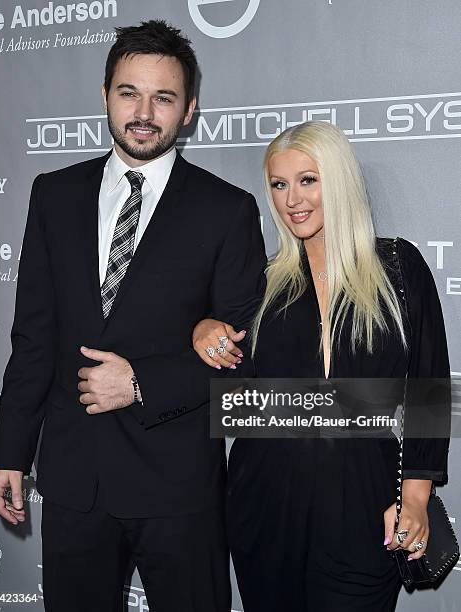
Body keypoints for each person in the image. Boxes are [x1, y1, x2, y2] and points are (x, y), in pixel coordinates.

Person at [0, 20, 267, 612]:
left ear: (188, 109)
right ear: (105, 96)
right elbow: (33, 337)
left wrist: (139, 384)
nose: (144, 112)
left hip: (177, 488)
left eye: (163, 97)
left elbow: (243, 358)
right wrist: (10, 452)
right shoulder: (53, 195)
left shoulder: (227, 211)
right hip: (74, 482)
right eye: (129, 93)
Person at [193, 121, 451, 611]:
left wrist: (414, 497)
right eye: (279, 184)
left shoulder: (398, 268)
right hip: (265, 508)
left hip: (364, 506)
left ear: (339, 180)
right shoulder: (262, 282)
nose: (293, 199)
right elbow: (231, 387)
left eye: (308, 180)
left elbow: (428, 391)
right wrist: (202, 330)